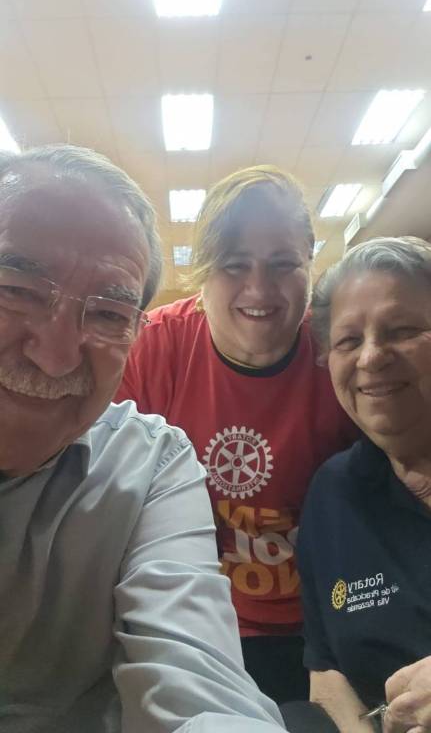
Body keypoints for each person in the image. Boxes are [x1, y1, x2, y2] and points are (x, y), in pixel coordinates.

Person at [0, 144, 291, 733]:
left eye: (108, 314)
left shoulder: (152, 463)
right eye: (16, 288)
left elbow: (196, 685)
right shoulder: (171, 354)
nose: (56, 356)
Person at [116, 165, 356, 704]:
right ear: (203, 271)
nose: (259, 289)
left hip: (331, 618)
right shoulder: (152, 348)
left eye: (283, 264)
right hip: (199, 620)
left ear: (310, 263)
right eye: (234, 264)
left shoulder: (344, 351)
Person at [297, 236, 431, 733]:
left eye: (402, 331)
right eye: (348, 341)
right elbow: (326, 672)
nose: (372, 357)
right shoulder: (332, 494)